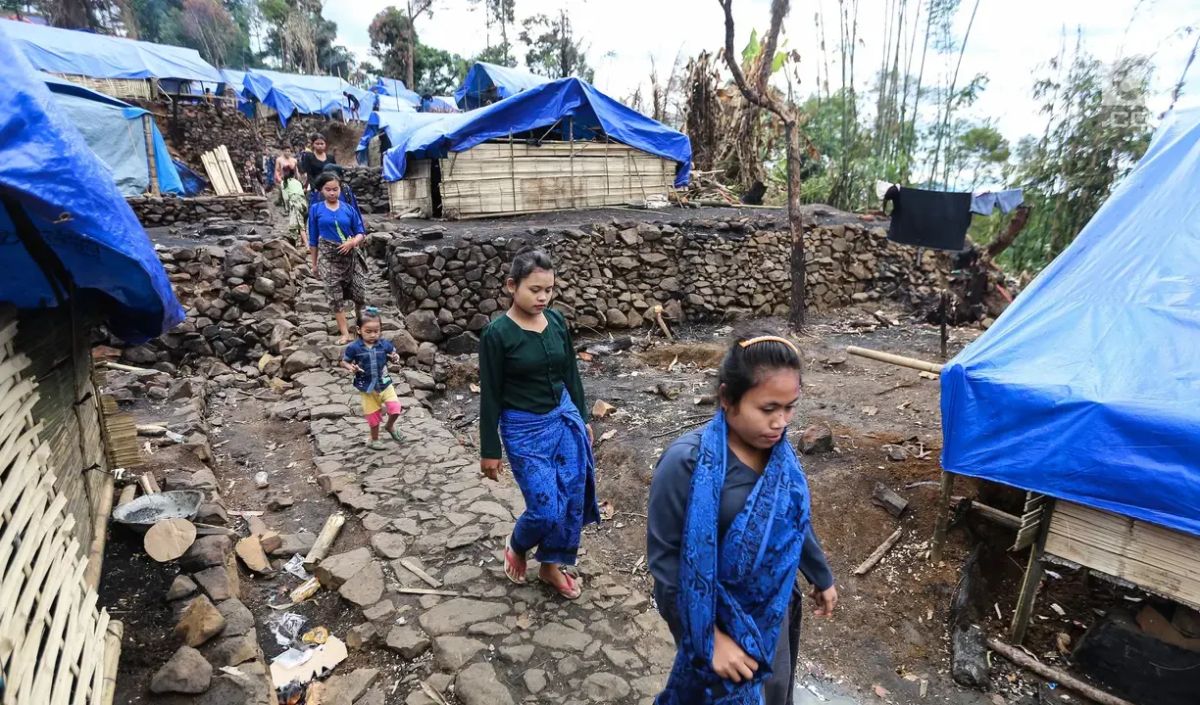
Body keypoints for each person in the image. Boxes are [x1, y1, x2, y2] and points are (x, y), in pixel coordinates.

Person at [647, 331, 839, 705]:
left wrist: (821, 575)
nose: (781, 422)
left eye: (790, 407)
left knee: (773, 688)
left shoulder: (782, 461)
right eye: (768, 409)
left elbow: (792, 521)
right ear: (727, 399)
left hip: (773, 609)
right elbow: (667, 563)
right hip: (710, 614)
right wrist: (709, 638)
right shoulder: (686, 464)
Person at [478, 249, 598, 600]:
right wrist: (490, 449)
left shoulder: (556, 322)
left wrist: (582, 417)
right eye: (535, 289)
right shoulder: (497, 335)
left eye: (549, 289)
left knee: (572, 494)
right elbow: (490, 393)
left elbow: (570, 373)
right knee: (546, 508)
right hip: (524, 429)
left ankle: (550, 565)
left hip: (563, 419)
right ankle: (517, 544)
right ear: (511, 286)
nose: (543, 297)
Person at [307, 172, 368, 344]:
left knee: (360, 293)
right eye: (328, 190)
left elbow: (361, 232)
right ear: (321, 191)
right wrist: (314, 264)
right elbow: (313, 238)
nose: (332, 193)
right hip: (328, 257)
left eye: (335, 189)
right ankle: (345, 333)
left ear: (340, 189)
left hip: (350, 256)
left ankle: (360, 327)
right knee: (334, 294)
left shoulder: (348, 209)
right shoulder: (316, 209)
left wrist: (352, 243)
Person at [341, 307, 404, 450]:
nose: (373, 335)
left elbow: (394, 355)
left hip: (385, 383)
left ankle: (389, 425)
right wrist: (351, 367)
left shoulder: (384, 344)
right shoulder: (354, 347)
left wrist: (395, 357)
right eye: (368, 331)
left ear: (380, 330)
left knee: (395, 409)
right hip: (367, 387)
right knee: (373, 417)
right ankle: (374, 439)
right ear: (359, 330)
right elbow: (344, 361)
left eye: (376, 331)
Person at [279, 165, 307, 248]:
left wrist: (287, 208)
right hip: (304, 203)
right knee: (302, 222)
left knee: (298, 225)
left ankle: (307, 245)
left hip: (295, 203)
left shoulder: (284, 183)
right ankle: (302, 242)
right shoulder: (297, 182)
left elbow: (286, 198)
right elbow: (302, 193)